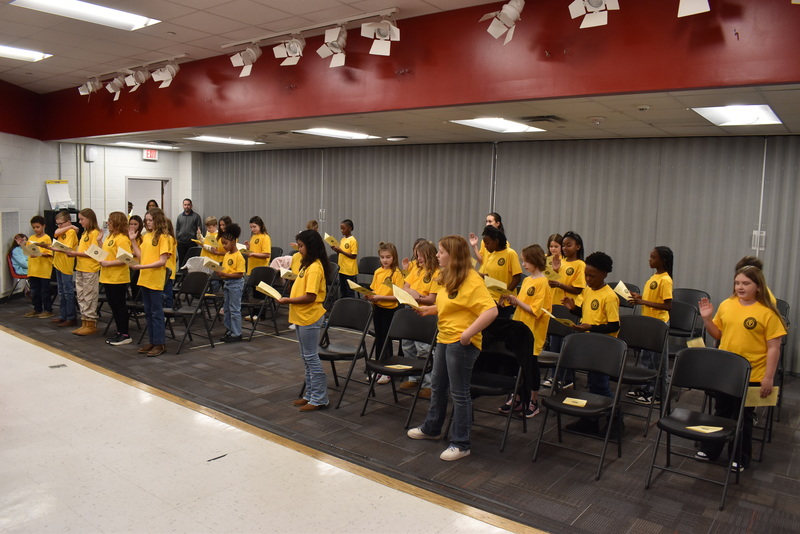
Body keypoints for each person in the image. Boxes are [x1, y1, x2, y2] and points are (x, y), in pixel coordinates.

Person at [407, 235, 498, 461]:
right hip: (445, 338)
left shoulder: (472, 279)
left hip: (461, 343)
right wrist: (430, 310)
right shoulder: (448, 276)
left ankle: (461, 443)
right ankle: (432, 428)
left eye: (441, 252)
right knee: (438, 386)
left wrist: (468, 334)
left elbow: (491, 311)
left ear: (453, 255)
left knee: (459, 393)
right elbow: (450, 305)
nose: (437, 255)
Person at [696, 266, 786, 472]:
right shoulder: (727, 305)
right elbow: (717, 335)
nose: (740, 287)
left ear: (758, 286)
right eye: (737, 283)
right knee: (721, 411)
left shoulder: (767, 313)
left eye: (746, 283)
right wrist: (707, 319)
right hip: (726, 372)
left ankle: (740, 457)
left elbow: (774, 348)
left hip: (753, 373)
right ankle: (711, 450)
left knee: (743, 417)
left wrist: (769, 378)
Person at [562, 251, 620, 435]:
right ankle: (591, 420)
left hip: (605, 348)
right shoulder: (588, 291)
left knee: (600, 385)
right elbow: (588, 315)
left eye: (592, 276)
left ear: (604, 274)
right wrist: (573, 310)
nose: (588, 279)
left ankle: (616, 422)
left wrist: (591, 328)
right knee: (593, 384)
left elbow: (613, 325)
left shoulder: (609, 296)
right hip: (591, 344)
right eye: (586, 275)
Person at [278, 229, 330, 411]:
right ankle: (310, 394)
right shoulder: (306, 264)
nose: (298, 250)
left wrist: (288, 300)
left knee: (311, 357)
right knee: (306, 357)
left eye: (301, 246)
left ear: (311, 247)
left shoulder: (315, 267)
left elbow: (310, 296)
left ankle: (319, 398)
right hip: (301, 315)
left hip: (310, 315)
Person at [499, 244, 552, 418]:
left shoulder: (542, 282)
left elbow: (535, 310)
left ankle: (534, 401)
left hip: (532, 331)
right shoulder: (528, 280)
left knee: (531, 367)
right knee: (517, 364)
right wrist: (509, 299)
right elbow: (522, 305)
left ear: (535, 261)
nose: (523, 264)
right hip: (520, 327)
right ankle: (519, 397)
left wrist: (516, 301)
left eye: (525, 261)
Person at [629, 246, 674, 405]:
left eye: (653, 257)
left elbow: (667, 306)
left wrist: (642, 302)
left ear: (663, 260)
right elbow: (654, 299)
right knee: (646, 358)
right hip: (647, 323)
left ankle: (658, 394)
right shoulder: (654, 277)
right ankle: (646, 388)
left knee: (657, 361)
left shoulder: (665, 279)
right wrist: (639, 297)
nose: (650, 260)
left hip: (658, 325)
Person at [399, 240, 440, 396]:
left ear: (429, 255)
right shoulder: (416, 268)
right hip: (410, 308)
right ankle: (414, 377)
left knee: (424, 348)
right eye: (417, 256)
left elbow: (432, 299)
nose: (418, 259)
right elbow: (405, 287)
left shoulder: (436, 273)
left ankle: (429, 384)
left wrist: (418, 297)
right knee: (407, 345)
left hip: (424, 311)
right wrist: (412, 294)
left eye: (421, 256)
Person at [130, 208, 171, 357]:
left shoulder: (164, 237)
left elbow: (162, 261)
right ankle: (153, 341)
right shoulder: (147, 236)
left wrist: (142, 266)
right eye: (146, 220)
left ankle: (160, 343)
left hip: (155, 278)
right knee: (148, 312)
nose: (147, 223)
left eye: (150, 220)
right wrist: (133, 240)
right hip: (145, 277)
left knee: (156, 313)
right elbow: (141, 256)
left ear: (157, 220)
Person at [363, 242, 405, 380]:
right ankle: (379, 368)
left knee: (387, 340)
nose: (385, 260)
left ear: (394, 257)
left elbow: (398, 296)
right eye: (382, 257)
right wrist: (369, 295)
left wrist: (380, 297)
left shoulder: (397, 273)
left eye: (388, 257)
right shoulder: (378, 271)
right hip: (378, 308)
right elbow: (374, 289)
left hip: (390, 310)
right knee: (379, 339)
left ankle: (387, 371)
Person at [64, 209, 101, 335]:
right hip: (80, 267)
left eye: (82, 219)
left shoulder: (95, 233)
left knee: (89, 295)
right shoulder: (85, 233)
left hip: (90, 268)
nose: (80, 222)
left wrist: (75, 253)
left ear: (89, 219)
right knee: (81, 295)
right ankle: (84, 321)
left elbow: (95, 253)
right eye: (79, 219)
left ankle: (91, 322)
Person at [99, 212, 133, 346]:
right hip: (108, 276)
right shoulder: (111, 236)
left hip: (118, 277)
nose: (108, 223)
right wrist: (99, 241)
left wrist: (108, 263)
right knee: (113, 306)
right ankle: (120, 332)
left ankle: (125, 334)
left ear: (117, 222)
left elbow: (126, 259)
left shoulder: (123, 239)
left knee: (120, 306)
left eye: (110, 221)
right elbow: (107, 253)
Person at [478, 225, 521, 319]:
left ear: (496, 241)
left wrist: (504, 295)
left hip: (504, 302)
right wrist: (475, 273)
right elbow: (488, 276)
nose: (485, 246)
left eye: (487, 243)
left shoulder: (510, 253)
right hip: (490, 299)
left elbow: (517, 277)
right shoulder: (491, 255)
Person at [49, 210, 78, 327]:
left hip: (66, 265)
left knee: (68, 292)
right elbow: (56, 232)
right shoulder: (63, 230)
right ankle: (63, 315)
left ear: (68, 221)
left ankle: (71, 317)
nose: (59, 226)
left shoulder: (71, 232)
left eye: (62, 223)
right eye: (58, 224)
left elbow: (67, 248)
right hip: (58, 263)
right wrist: (69, 226)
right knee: (61, 292)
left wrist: (55, 248)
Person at [218, 223, 246, 343]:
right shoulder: (227, 255)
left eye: (226, 243)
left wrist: (226, 275)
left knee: (234, 309)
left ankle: (236, 333)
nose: (224, 246)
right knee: (227, 309)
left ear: (233, 242)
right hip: (227, 283)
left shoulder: (239, 256)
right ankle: (229, 330)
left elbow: (239, 274)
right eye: (223, 243)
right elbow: (225, 270)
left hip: (235, 284)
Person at [23, 216, 53, 319]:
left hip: (43, 270)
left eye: (38, 227)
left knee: (45, 291)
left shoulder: (47, 238)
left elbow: (50, 253)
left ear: (43, 226)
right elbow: (27, 250)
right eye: (34, 227)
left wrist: (39, 253)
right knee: (34, 291)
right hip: (33, 269)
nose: (36, 229)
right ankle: (37, 309)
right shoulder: (31, 238)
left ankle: (48, 310)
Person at [331, 219, 357, 298]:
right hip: (342, 268)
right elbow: (341, 253)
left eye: (343, 228)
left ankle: (350, 306)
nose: (342, 231)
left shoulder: (353, 240)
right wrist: (336, 249)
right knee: (343, 289)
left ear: (349, 228)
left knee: (349, 290)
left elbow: (353, 255)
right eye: (341, 229)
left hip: (349, 270)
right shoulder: (342, 240)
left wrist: (341, 251)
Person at [175, 198, 203, 264]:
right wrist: (177, 239)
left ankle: (190, 274)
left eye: (188, 205)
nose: (186, 206)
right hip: (181, 243)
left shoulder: (196, 216)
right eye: (185, 205)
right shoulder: (179, 217)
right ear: (183, 205)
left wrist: (197, 241)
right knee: (182, 262)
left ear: (191, 206)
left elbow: (199, 230)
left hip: (192, 243)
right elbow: (177, 229)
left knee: (191, 262)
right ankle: (182, 274)